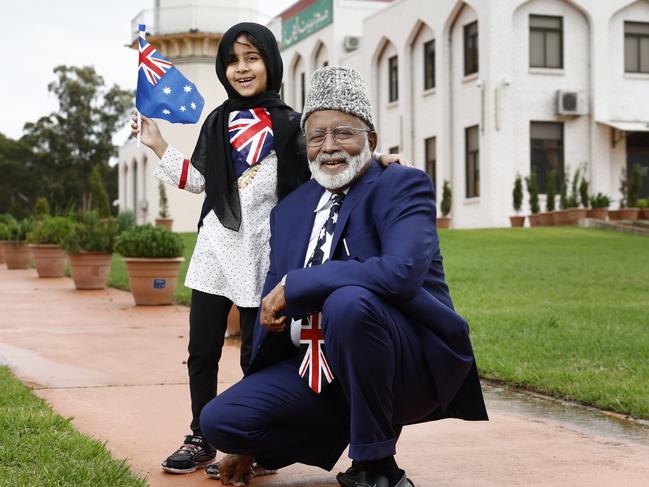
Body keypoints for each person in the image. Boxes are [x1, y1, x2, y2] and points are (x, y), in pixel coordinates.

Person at [132, 23, 406, 476]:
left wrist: (375, 159)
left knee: (254, 351)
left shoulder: (291, 124)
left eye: (252, 57)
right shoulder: (217, 120)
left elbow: (328, 158)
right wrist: (157, 142)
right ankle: (202, 434)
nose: (242, 68)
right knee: (202, 349)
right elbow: (201, 181)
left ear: (270, 63)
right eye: (233, 60)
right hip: (215, 250)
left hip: (264, 252)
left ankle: (249, 440)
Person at [198, 66, 488, 487]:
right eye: (317, 136)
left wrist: (299, 285)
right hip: (316, 372)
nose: (329, 147)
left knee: (347, 303)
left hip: (404, 364)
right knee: (221, 421)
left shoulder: (401, 186)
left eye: (343, 133)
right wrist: (248, 441)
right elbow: (273, 317)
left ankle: (376, 466)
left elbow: (400, 274)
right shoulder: (291, 211)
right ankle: (355, 426)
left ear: (370, 139)